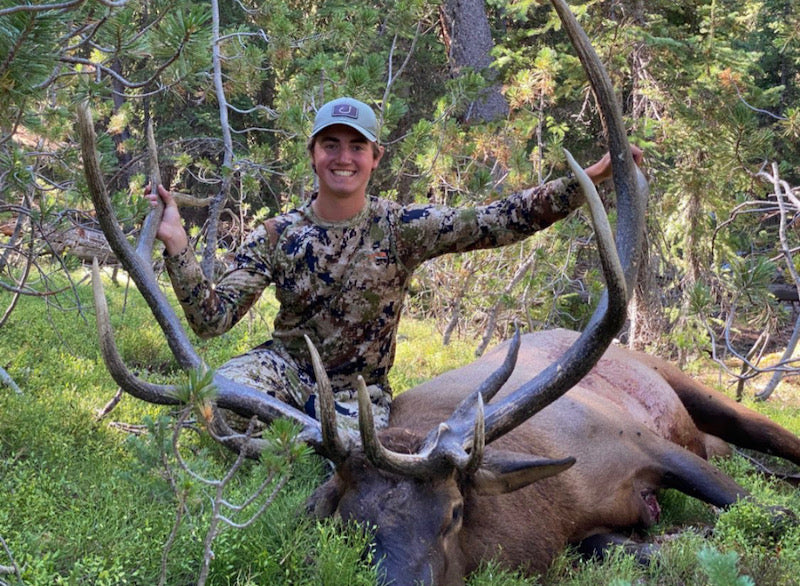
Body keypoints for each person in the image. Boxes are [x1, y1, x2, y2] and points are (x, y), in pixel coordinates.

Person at [146, 96, 643, 430]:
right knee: (210, 405)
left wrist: (584, 184)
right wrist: (177, 246)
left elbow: (496, 220)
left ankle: (294, 447)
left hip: (357, 390)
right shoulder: (278, 235)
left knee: (350, 460)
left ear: (375, 157)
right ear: (313, 153)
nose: (344, 157)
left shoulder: (402, 228)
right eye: (332, 144)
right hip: (283, 369)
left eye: (356, 146)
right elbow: (211, 319)